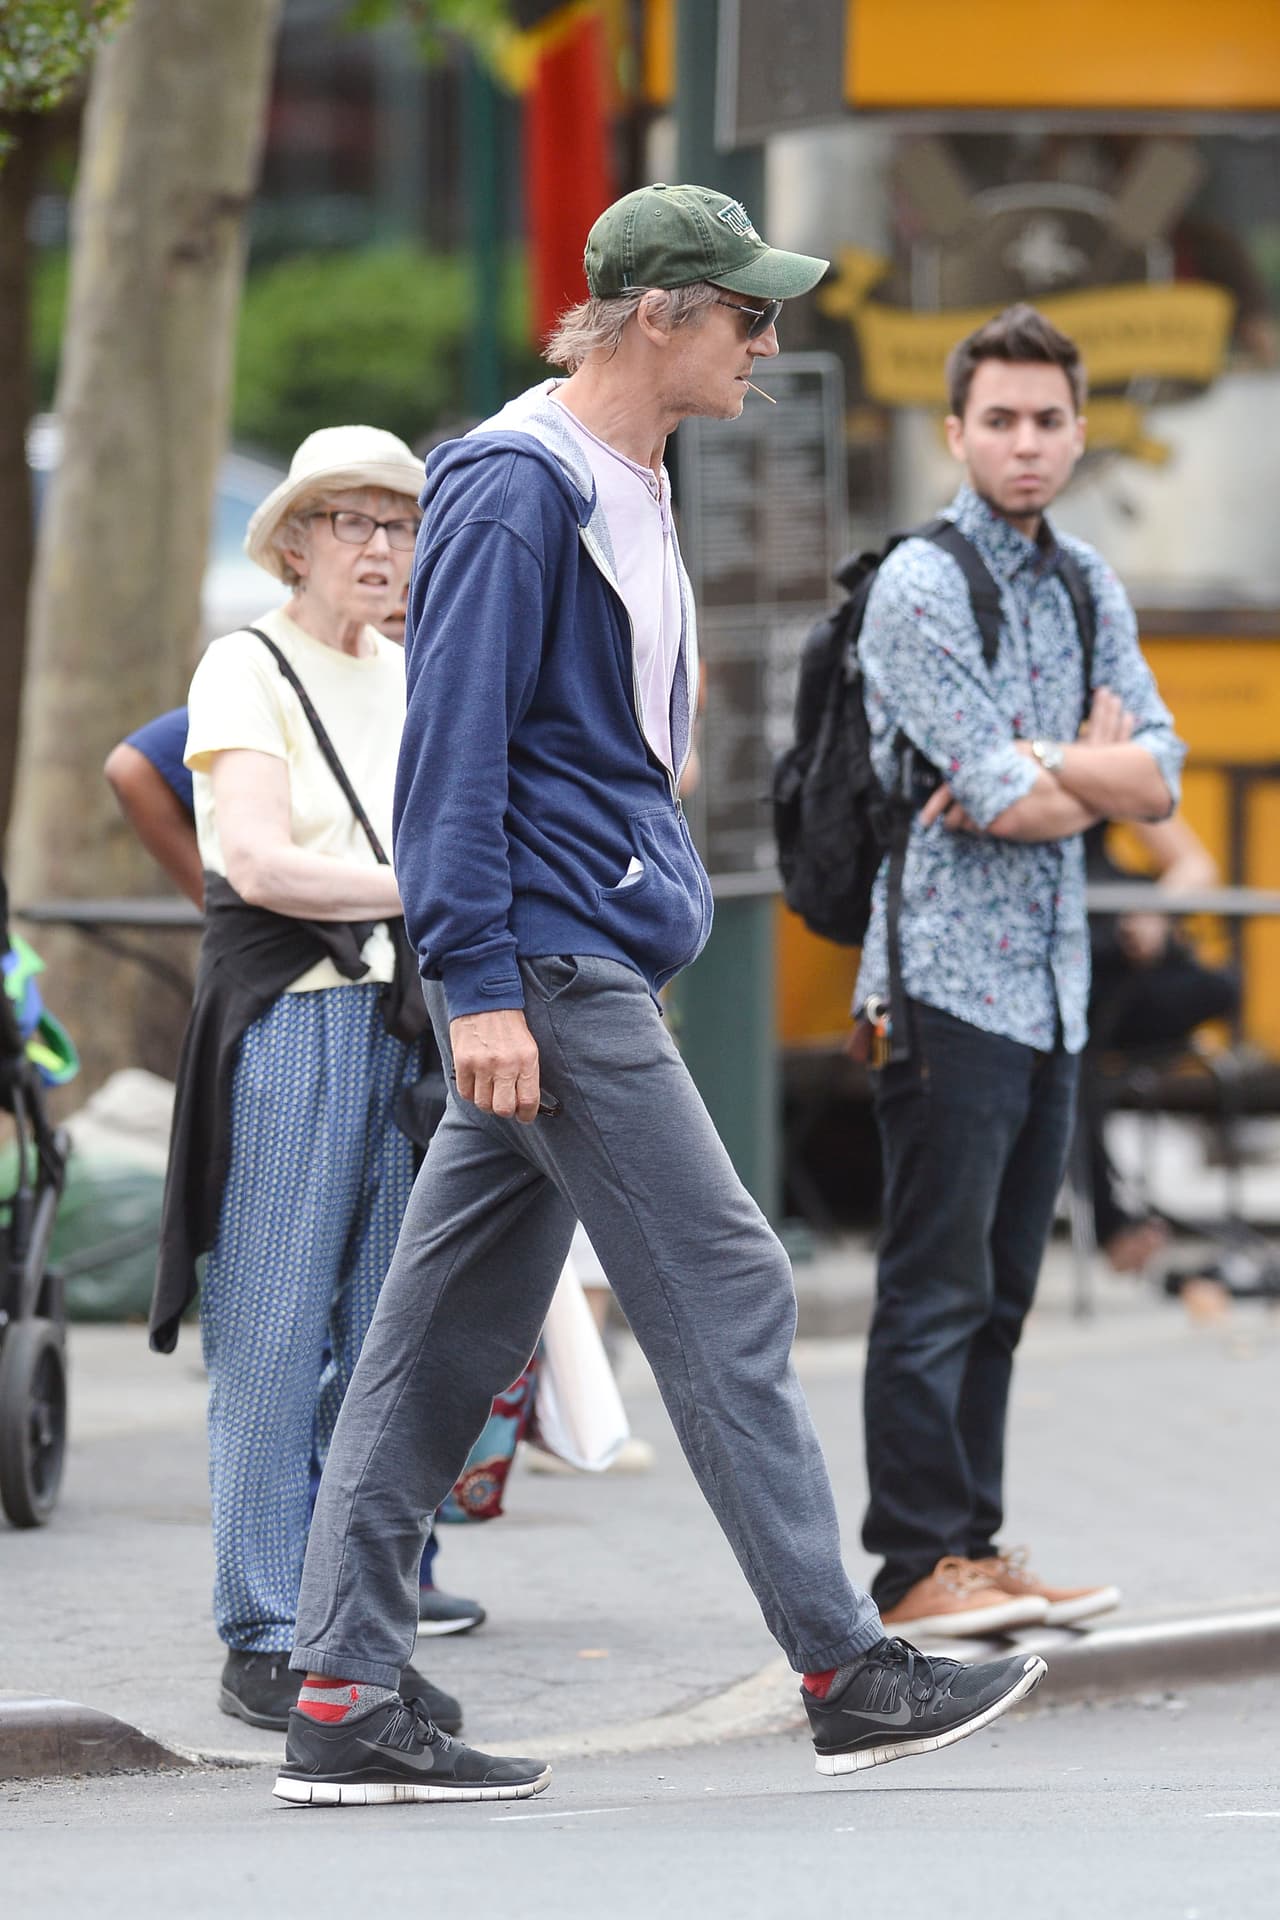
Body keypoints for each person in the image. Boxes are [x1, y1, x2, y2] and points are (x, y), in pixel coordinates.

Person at [276, 184, 1049, 1812]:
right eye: (747, 314)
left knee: (440, 1337)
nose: (766, 343)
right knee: (730, 1280)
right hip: (547, 969)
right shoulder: (520, 482)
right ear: (657, 315)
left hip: (580, 956)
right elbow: (447, 752)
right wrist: (479, 984)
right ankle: (846, 1668)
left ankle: (340, 1686)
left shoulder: (628, 477)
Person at [854, 304, 1185, 1641]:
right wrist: (1070, 766)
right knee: (933, 1287)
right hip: (943, 979)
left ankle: (976, 1553)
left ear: (1079, 431)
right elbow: (1004, 799)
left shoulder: (1085, 580)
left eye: (1048, 420)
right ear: (955, 433)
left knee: (1001, 1288)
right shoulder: (919, 587)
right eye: (999, 420)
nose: (1026, 443)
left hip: (1051, 984)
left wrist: (1047, 761)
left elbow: (1157, 777)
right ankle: (912, 1564)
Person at [149, 426, 469, 1729]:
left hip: (403, 1027)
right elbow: (259, 862)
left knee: (385, 1351)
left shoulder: (413, 669)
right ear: (294, 541)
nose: (384, 547)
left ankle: (351, 1635)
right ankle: (264, 1633)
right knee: (274, 1339)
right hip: (294, 1021)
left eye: (402, 523)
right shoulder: (246, 663)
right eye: (354, 522)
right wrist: (429, 890)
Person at [1081, 815, 1238, 1271]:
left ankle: (1115, 1226)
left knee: (1219, 983)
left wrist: (1154, 910)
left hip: (1117, 962)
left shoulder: (1111, 776)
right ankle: (1113, 1224)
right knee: (1069, 1064)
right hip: (1059, 978)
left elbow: (1196, 866)